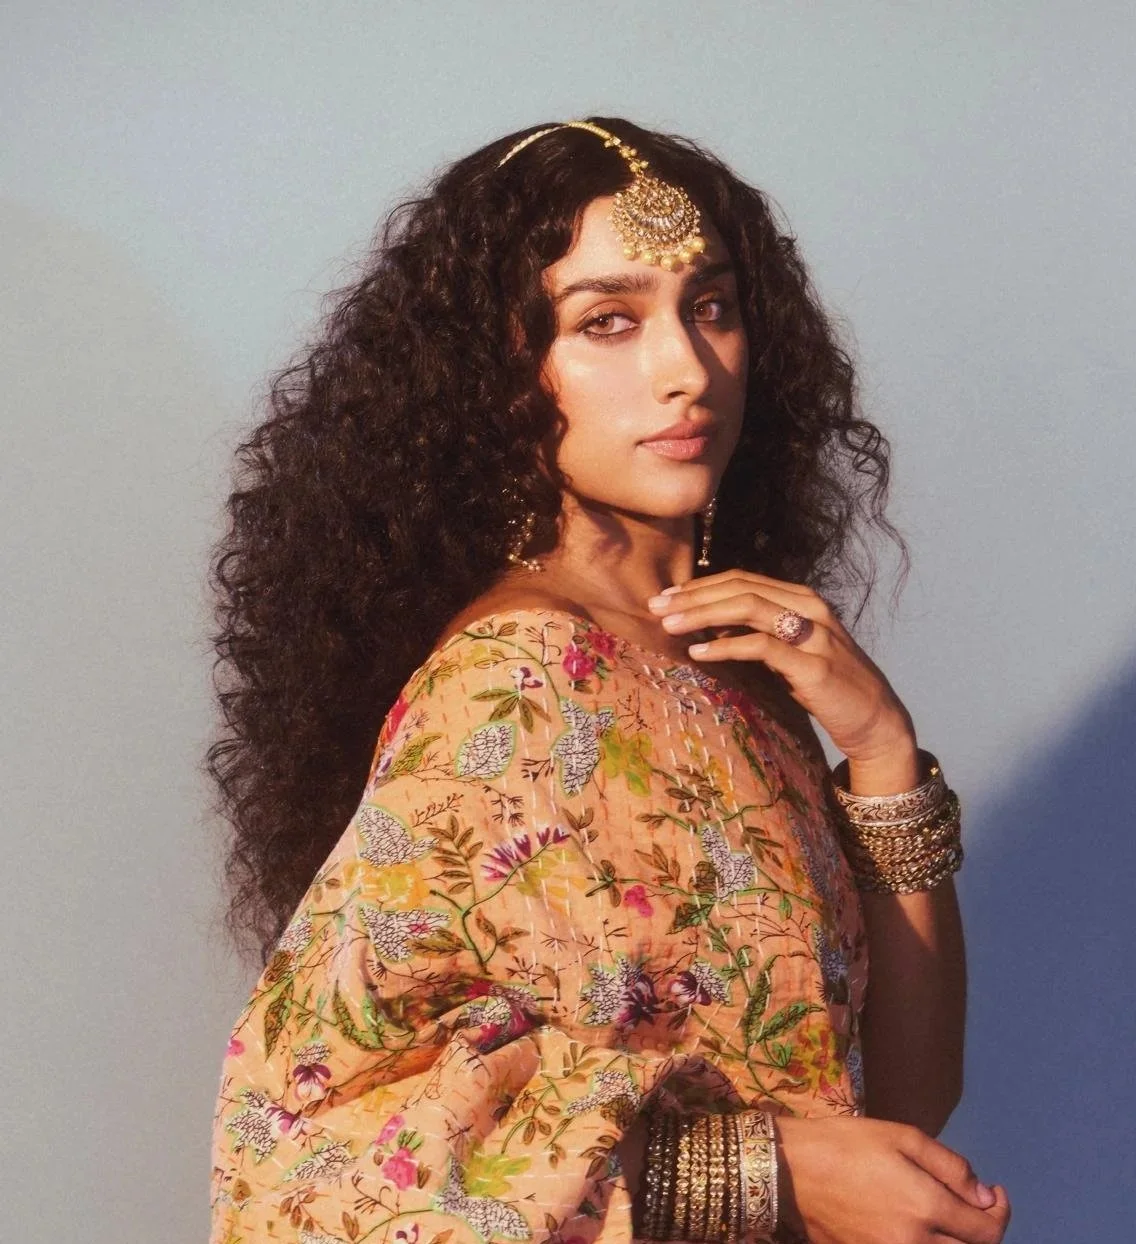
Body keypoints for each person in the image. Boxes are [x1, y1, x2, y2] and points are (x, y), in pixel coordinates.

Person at [207, 117, 1011, 1244]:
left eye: (711, 307)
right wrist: (760, 1168)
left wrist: (878, 747)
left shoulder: (739, 680)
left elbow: (901, 1113)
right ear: (501, 372)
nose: (684, 368)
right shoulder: (514, 681)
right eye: (607, 322)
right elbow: (319, 1147)